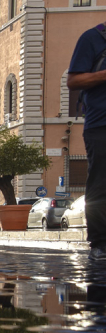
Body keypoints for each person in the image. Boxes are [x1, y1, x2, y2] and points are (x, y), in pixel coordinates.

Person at [68, 24, 106, 261]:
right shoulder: (92, 37)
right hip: (101, 123)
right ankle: (100, 243)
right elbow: (73, 80)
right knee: (100, 183)